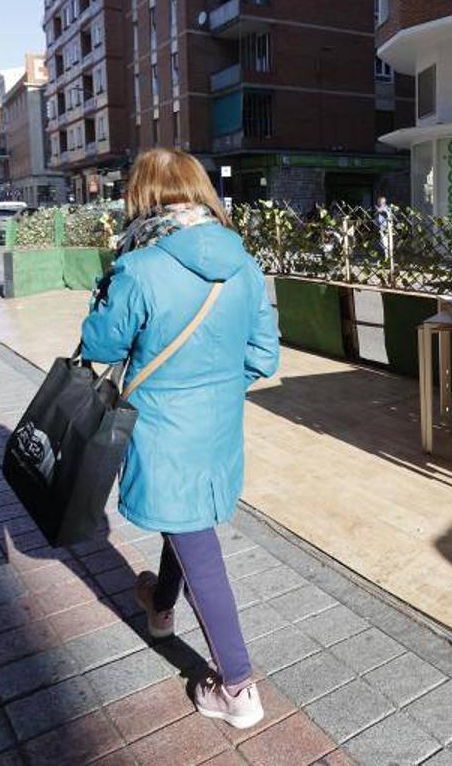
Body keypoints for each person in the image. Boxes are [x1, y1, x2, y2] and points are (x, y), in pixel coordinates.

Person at [80, 148, 280, 730]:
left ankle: (239, 690)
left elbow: (100, 347)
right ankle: (161, 608)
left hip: (165, 430)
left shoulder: (138, 268)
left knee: (198, 545)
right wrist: (212, 388)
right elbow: (263, 356)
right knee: (188, 519)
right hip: (218, 426)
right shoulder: (243, 262)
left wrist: (103, 293)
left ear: (141, 198)